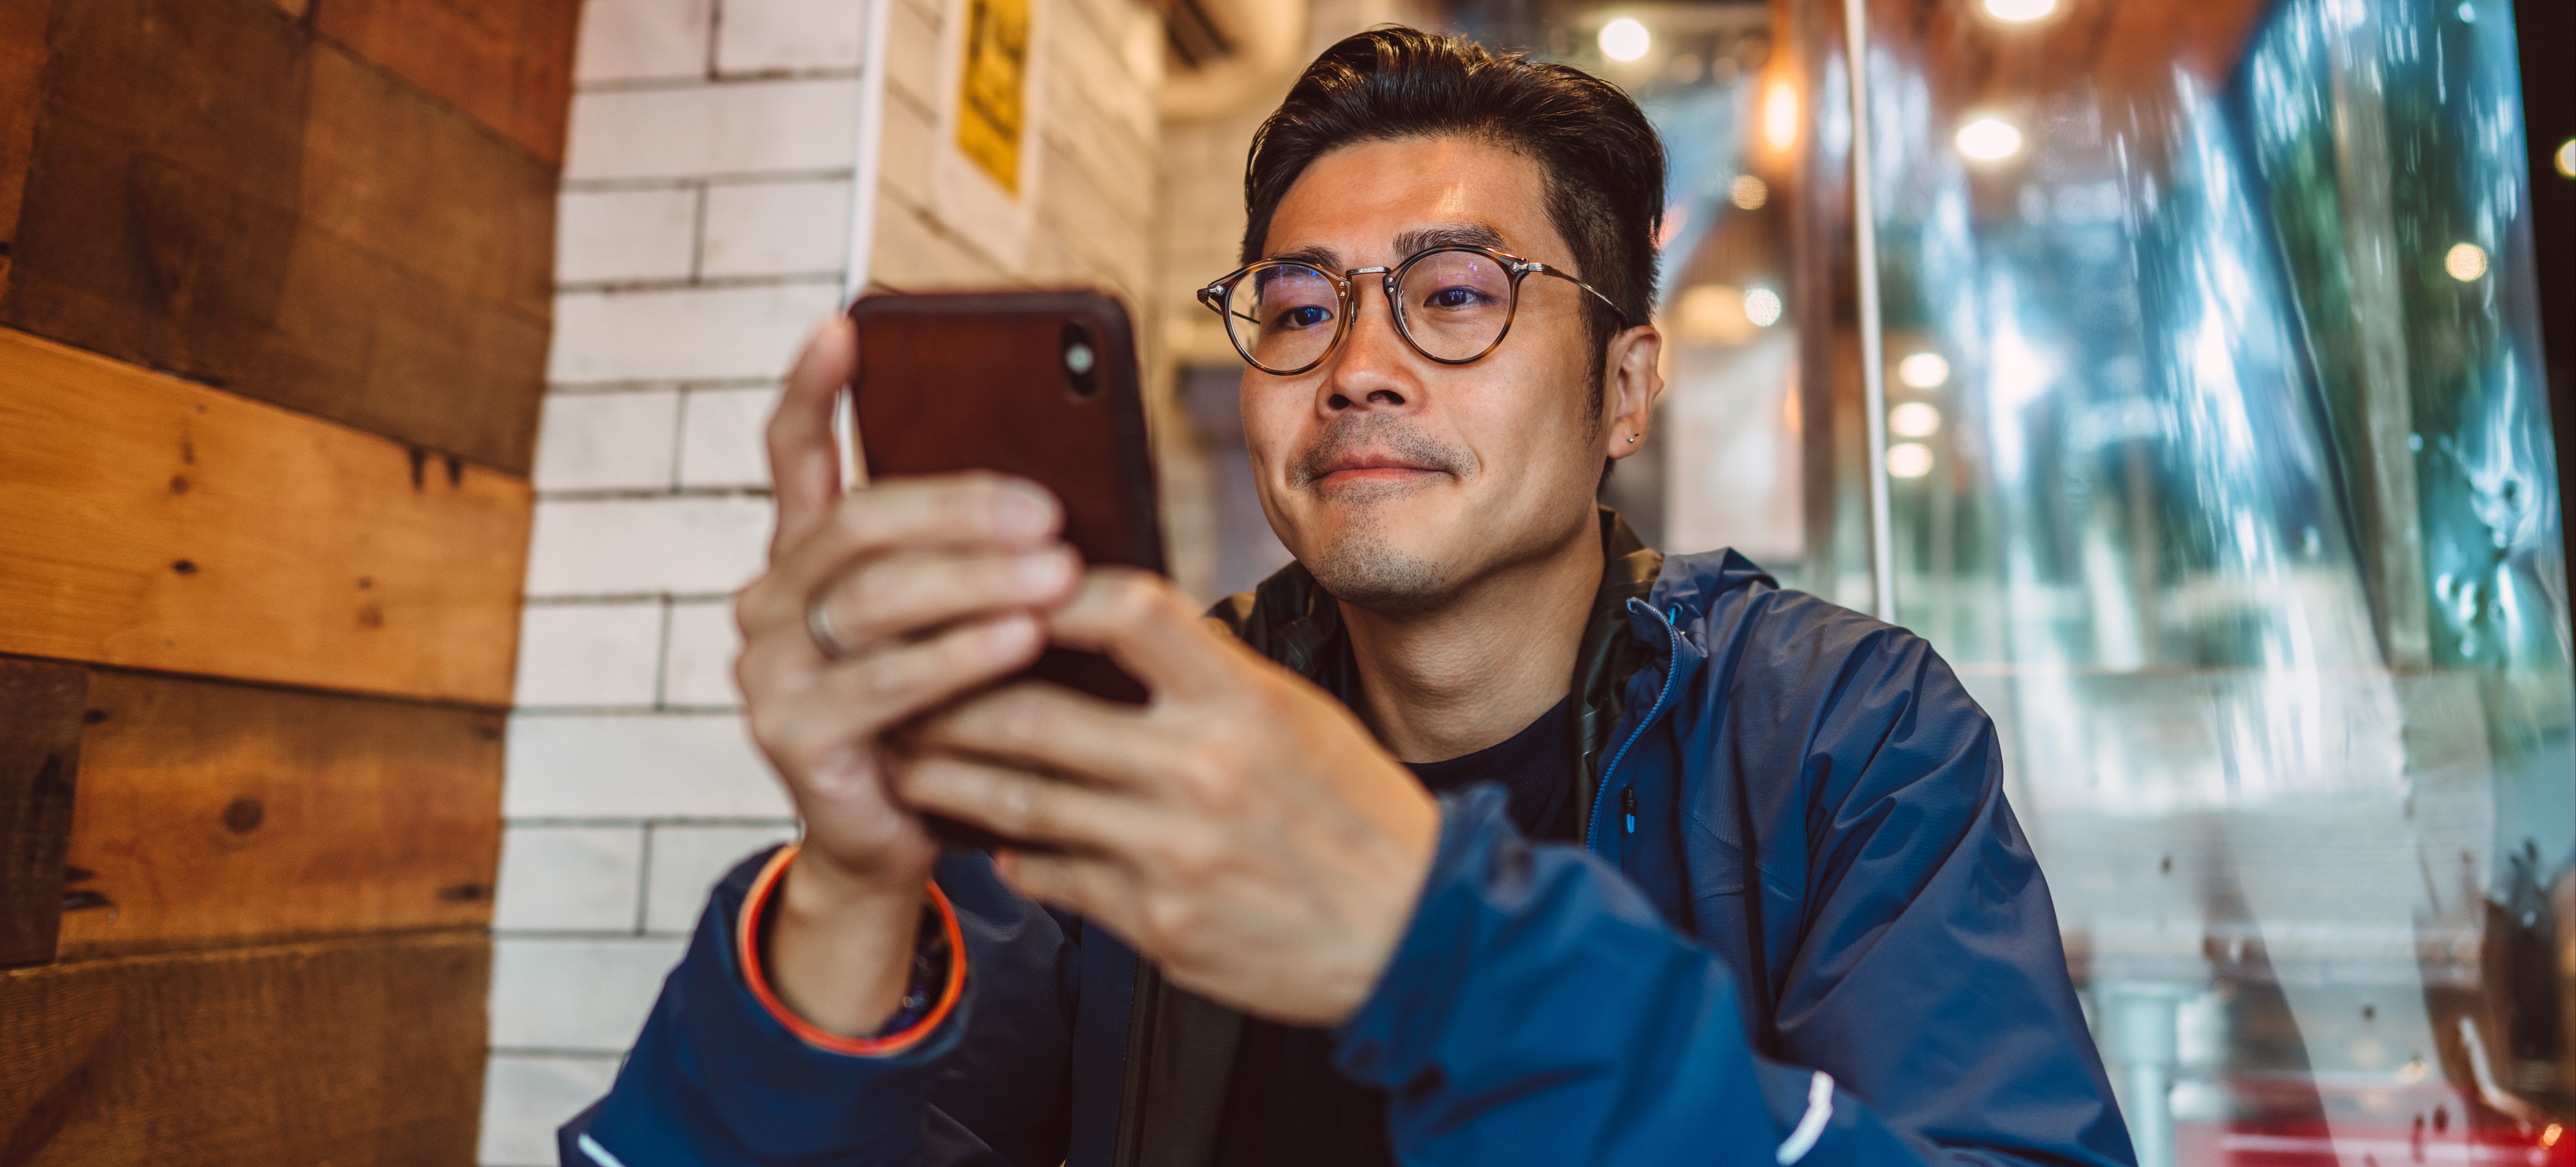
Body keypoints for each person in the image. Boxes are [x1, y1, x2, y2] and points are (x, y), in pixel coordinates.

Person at [561, 27, 2135, 1167]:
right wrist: (849, 879)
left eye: (1456, 294)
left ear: (1625, 389)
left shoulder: (1838, 731)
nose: (1358, 366)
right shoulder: (1151, 726)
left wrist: (1439, 945)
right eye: (1298, 306)